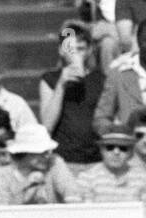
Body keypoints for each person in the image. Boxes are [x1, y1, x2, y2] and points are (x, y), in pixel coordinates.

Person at [40, 20, 105, 170]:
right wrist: (62, 84)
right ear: (61, 50)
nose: (75, 54)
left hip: (96, 161)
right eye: (70, 49)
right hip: (62, 161)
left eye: (80, 49)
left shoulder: (101, 80)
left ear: (89, 50)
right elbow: (47, 126)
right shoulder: (50, 80)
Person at [0, 123, 82, 203]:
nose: (47, 155)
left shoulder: (54, 163)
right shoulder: (0, 178)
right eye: (41, 152)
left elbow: (73, 194)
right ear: (24, 153)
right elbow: (3, 215)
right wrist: (28, 186)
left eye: (48, 151)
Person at [78, 122, 146, 200]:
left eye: (123, 148)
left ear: (130, 152)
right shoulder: (87, 179)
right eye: (110, 147)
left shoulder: (143, 179)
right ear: (101, 150)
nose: (116, 152)